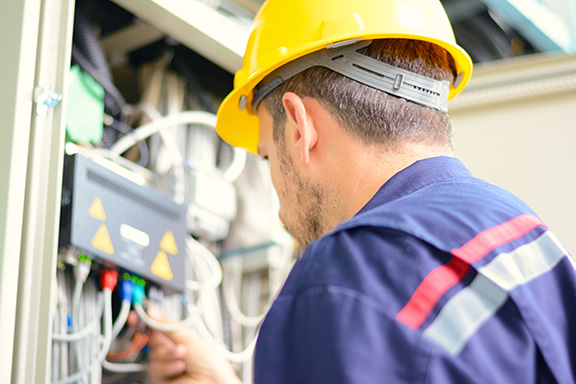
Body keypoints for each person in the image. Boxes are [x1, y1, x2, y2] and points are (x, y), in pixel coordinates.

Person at [147, 0, 576, 383]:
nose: (278, 210)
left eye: (266, 158)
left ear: (300, 127)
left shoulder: (347, 277)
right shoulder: (520, 232)